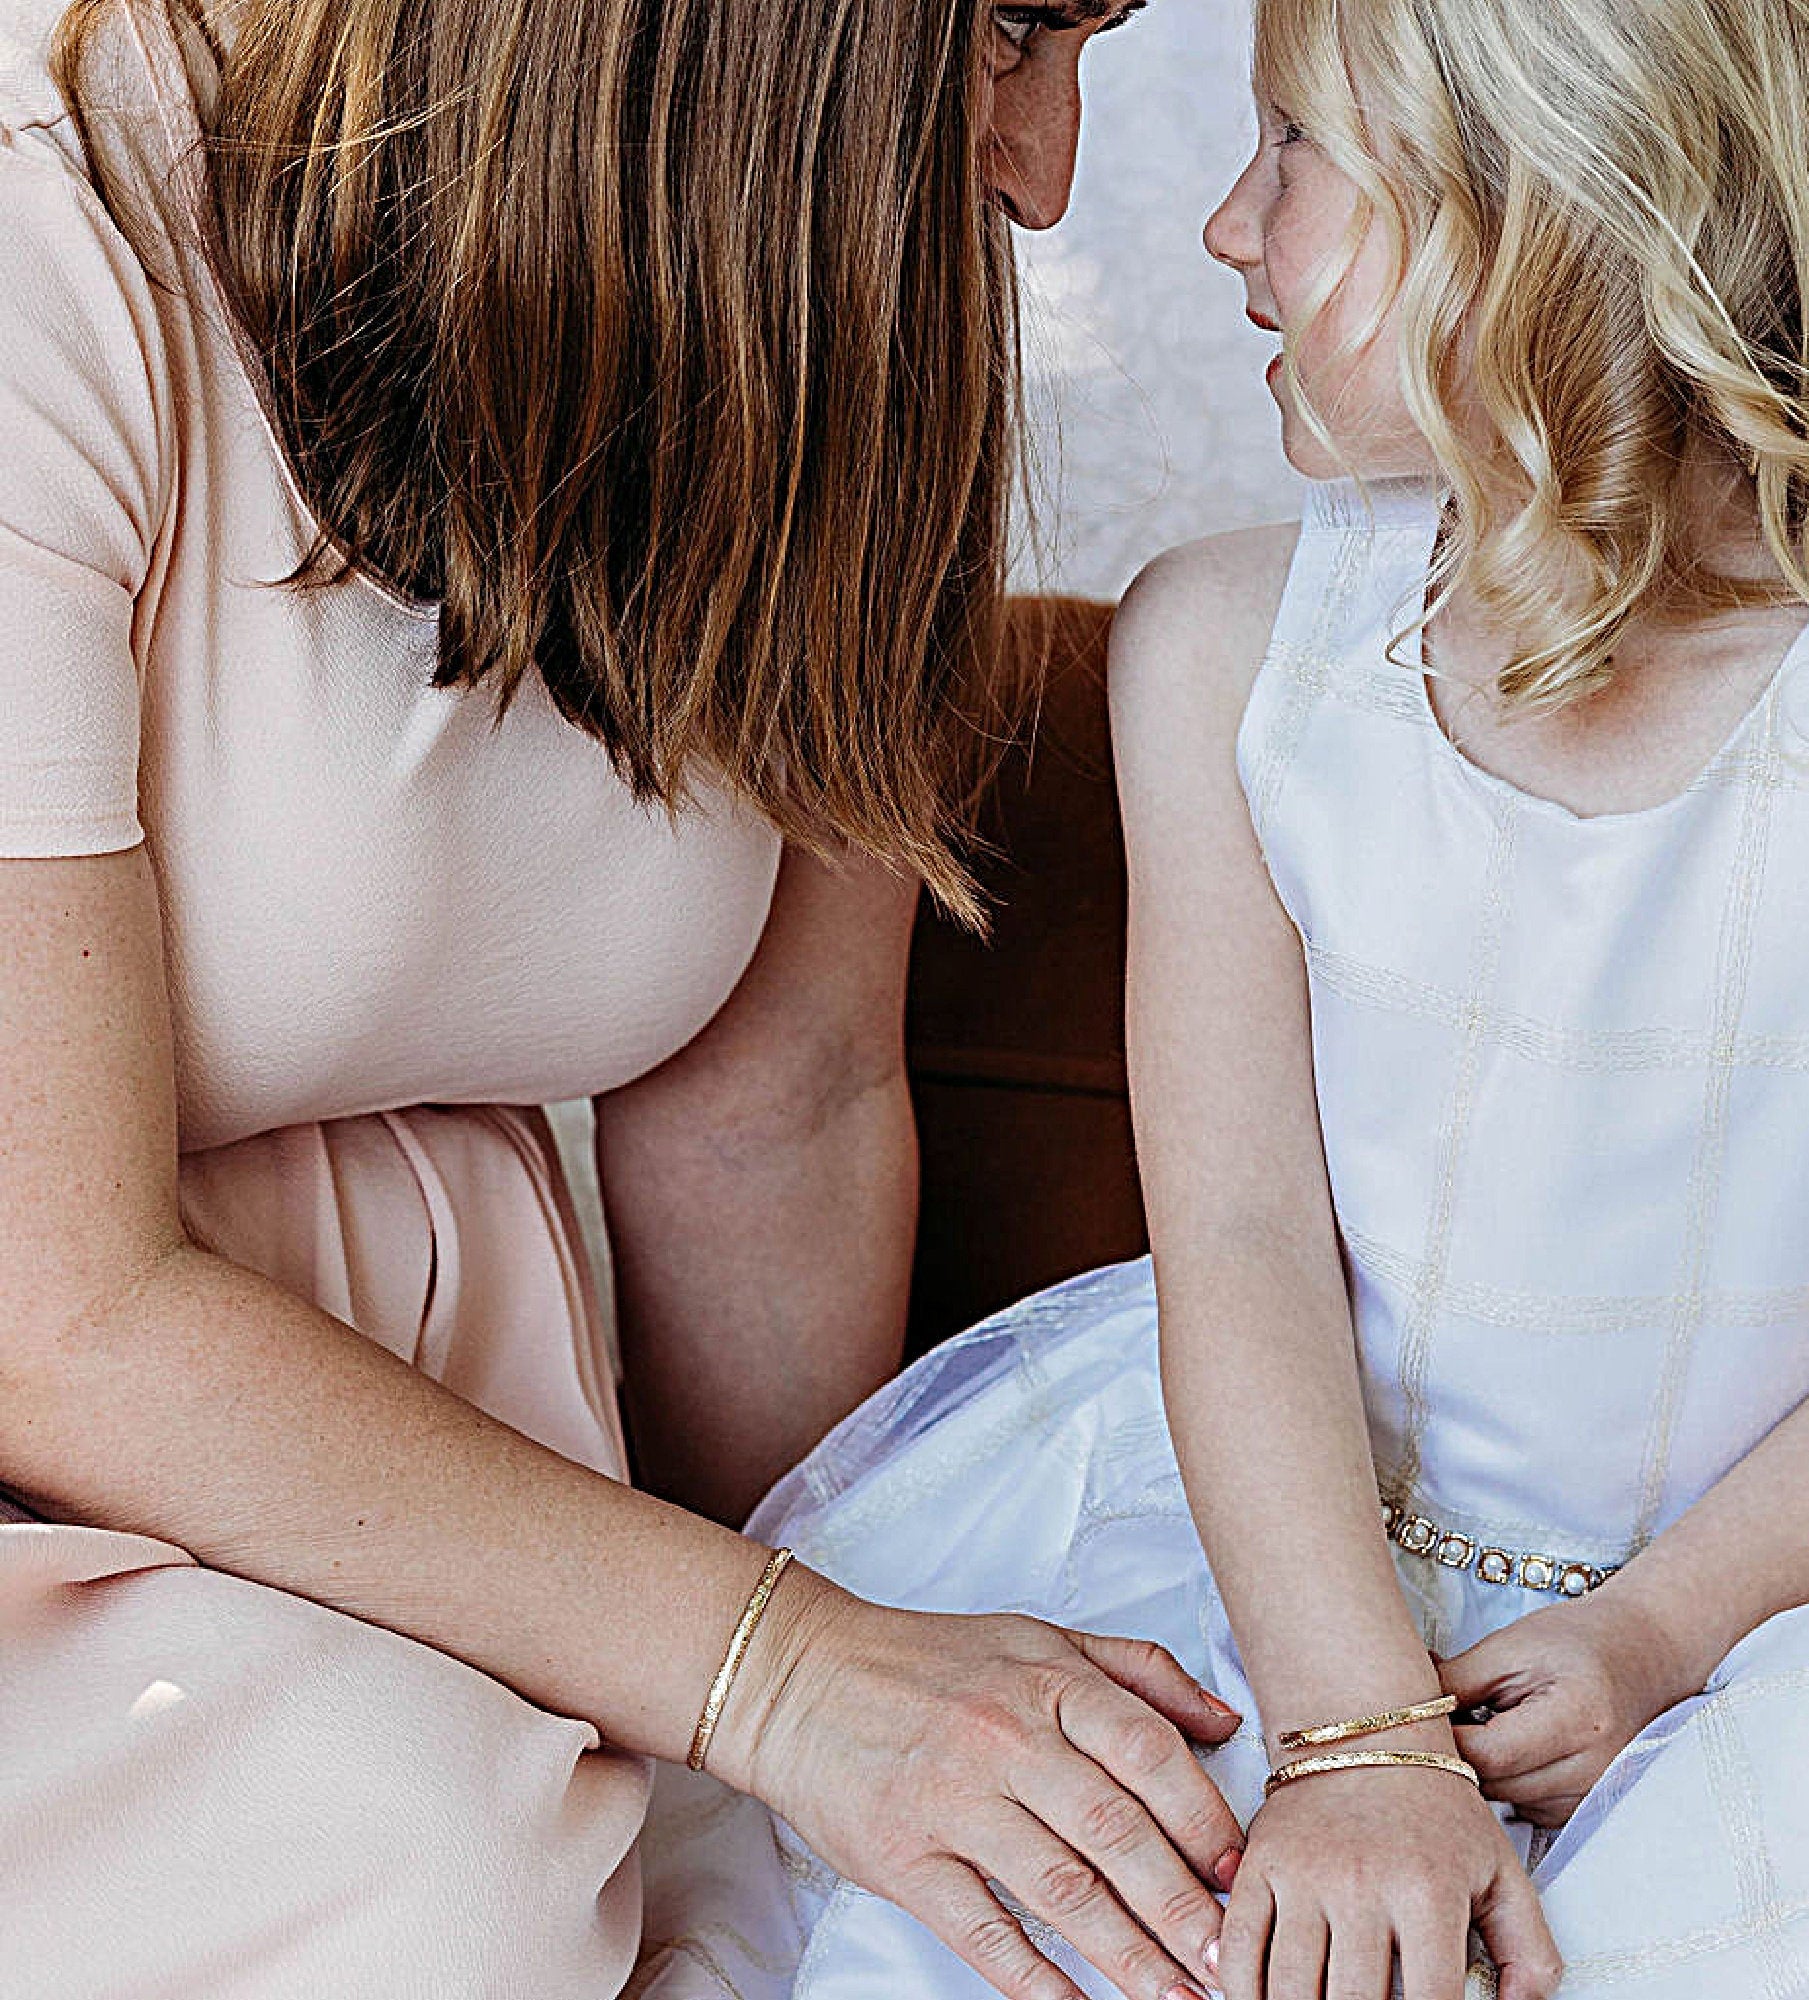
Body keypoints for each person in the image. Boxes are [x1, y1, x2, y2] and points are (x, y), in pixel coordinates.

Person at [661, 0, 1809, 1992]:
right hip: (1276, 1583)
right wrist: (1352, 1730)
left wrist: (1655, 1635)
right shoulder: (1218, 657)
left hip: (1767, 1609)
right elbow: (1238, 1233)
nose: (1220, 222)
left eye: (1292, 149)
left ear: (1556, 213)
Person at [0, 0, 1258, 1994]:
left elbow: (789, 1108)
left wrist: (865, 1697)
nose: (1048, 173)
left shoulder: (820, 320)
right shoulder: (44, 250)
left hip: (488, 1544)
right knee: (439, 1889)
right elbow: (52, 1318)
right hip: (61, 1469)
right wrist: (777, 1671)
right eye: (1017, 31)